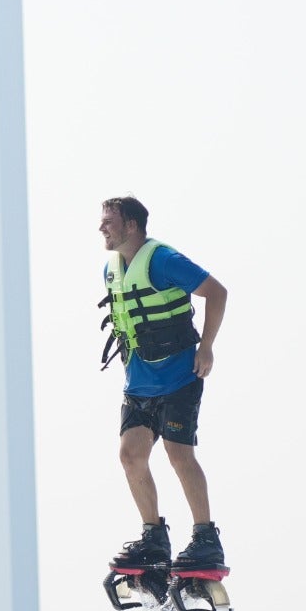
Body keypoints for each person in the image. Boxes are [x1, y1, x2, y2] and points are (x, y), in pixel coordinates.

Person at [98, 195, 229, 574]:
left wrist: (206, 347)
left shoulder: (163, 260)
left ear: (132, 225)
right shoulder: (111, 270)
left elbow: (216, 292)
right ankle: (154, 537)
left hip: (179, 376)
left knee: (178, 453)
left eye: (109, 221)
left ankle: (206, 538)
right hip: (139, 381)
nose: (102, 227)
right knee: (130, 454)